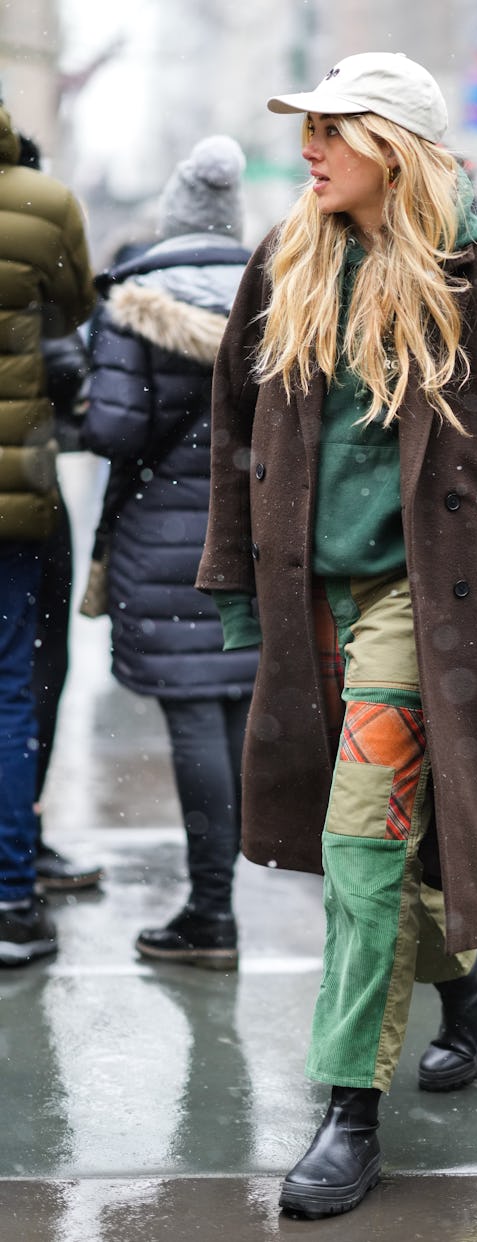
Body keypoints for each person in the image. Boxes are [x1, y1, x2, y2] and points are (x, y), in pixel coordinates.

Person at [195, 52, 477, 1217]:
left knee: (363, 847)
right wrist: (233, 582)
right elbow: (236, 432)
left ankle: (346, 1112)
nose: (309, 147)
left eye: (334, 128)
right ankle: (469, 988)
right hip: (307, 602)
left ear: (395, 145)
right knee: (357, 843)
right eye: (306, 128)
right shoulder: (285, 266)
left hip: (423, 602)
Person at [82, 136, 258, 969]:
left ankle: (212, 913)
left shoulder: (138, 301)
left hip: (166, 544)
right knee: (231, 710)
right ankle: (219, 901)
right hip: (258, 537)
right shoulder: (280, 297)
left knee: (194, 716)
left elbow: (113, 432)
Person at [0, 103, 96, 966]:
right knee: (14, 684)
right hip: (16, 496)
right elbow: (74, 318)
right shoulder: (45, 202)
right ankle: (10, 891)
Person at [16, 130, 104, 892]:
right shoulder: (41, 230)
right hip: (24, 497)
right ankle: (22, 850)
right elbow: (73, 360)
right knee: (31, 678)